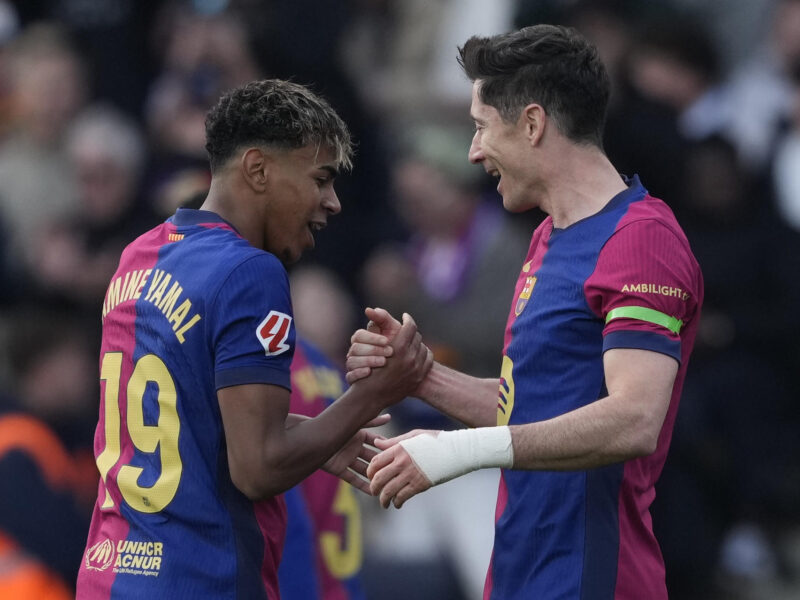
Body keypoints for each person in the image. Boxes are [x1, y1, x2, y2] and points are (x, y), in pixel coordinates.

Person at [346, 25, 703, 599]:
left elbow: (635, 419)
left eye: (481, 125)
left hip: (592, 579)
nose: (474, 151)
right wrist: (419, 376)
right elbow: (532, 403)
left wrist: (458, 449)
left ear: (532, 124)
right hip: (520, 571)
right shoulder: (546, 239)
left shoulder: (641, 241)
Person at [76, 79, 431, 599]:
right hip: (201, 581)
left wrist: (317, 438)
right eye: (321, 178)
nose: (333, 202)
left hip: (109, 575)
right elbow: (259, 469)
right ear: (259, 169)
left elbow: (187, 415)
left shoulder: (138, 255)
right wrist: (376, 392)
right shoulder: (249, 271)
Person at [279, 337, 366, 600]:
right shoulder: (319, 362)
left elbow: (287, 526)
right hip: (342, 583)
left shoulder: (264, 369)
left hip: (304, 584)